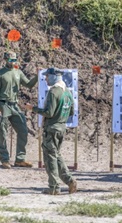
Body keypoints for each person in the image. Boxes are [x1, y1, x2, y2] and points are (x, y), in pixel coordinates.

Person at [24, 67, 77, 195]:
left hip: (52, 128)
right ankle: (69, 180)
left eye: (47, 76)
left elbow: (49, 112)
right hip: (61, 127)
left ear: (54, 76)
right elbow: (71, 112)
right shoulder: (68, 93)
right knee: (56, 155)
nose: (46, 78)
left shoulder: (54, 92)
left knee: (50, 158)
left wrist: (32, 108)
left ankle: (54, 187)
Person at [0, 51, 38, 169]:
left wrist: (38, 76)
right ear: (5, 59)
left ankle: (20, 159)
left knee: (23, 131)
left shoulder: (18, 72)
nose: (13, 62)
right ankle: (5, 160)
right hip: (3, 104)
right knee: (3, 133)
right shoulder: (0, 74)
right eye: (11, 60)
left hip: (15, 105)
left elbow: (29, 84)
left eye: (15, 60)